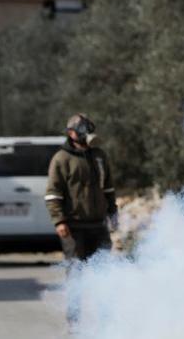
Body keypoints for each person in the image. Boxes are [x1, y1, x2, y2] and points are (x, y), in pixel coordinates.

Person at [45, 113, 118, 327]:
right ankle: (74, 324)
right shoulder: (61, 159)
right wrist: (59, 221)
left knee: (104, 275)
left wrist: (112, 212)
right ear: (71, 134)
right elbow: (53, 194)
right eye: (82, 130)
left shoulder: (99, 156)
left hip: (98, 226)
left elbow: (109, 188)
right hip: (74, 229)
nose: (87, 134)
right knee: (76, 276)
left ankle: (106, 322)